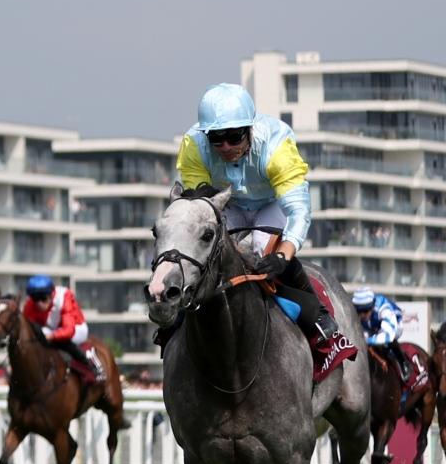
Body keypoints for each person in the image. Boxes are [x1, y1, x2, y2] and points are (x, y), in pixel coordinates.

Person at [173, 83, 337, 344]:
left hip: (270, 205)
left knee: (261, 248)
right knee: (211, 250)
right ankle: (179, 318)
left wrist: (282, 255)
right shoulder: (194, 145)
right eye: (216, 139)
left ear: (249, 128)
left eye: (234, 136)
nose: (226, 146)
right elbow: (199, 204)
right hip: (230, 204)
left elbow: (298, 211)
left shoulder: (275, 146)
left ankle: (317, 311)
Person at [22, 274, 105, 384]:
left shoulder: (63, 297)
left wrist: (51, 336)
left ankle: (90, 363)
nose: (39, 303)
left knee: (62, 341)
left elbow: (68, 331)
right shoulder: (29, 305)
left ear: (52, 294)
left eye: (43, 298)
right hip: (52, 330)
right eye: (35, 299)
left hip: (77, 329)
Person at [351, 288, 410, 383]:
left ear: (372, 306)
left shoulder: (384, 309)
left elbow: (388, 335)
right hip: (373, 326)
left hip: (394, 326)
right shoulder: (362, 312)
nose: (362, 315)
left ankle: (403, 363)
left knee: (389, 341)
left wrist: (367, 341)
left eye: (365, 310)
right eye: (359, 311)